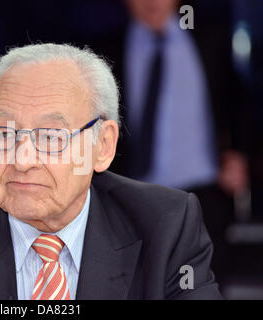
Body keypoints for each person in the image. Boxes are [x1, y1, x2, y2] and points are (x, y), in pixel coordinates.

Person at [0, 43, 222, 300]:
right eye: (5, 134)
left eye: (50, 137)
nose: (22, 160)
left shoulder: (166, 227)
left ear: (103, 146)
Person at [90, 0, 251, 281]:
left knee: (202, 288)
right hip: (131, 198)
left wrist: (238, 154)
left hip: (203, 198)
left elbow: (239, 103)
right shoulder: (105, 51)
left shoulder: (209, 39)